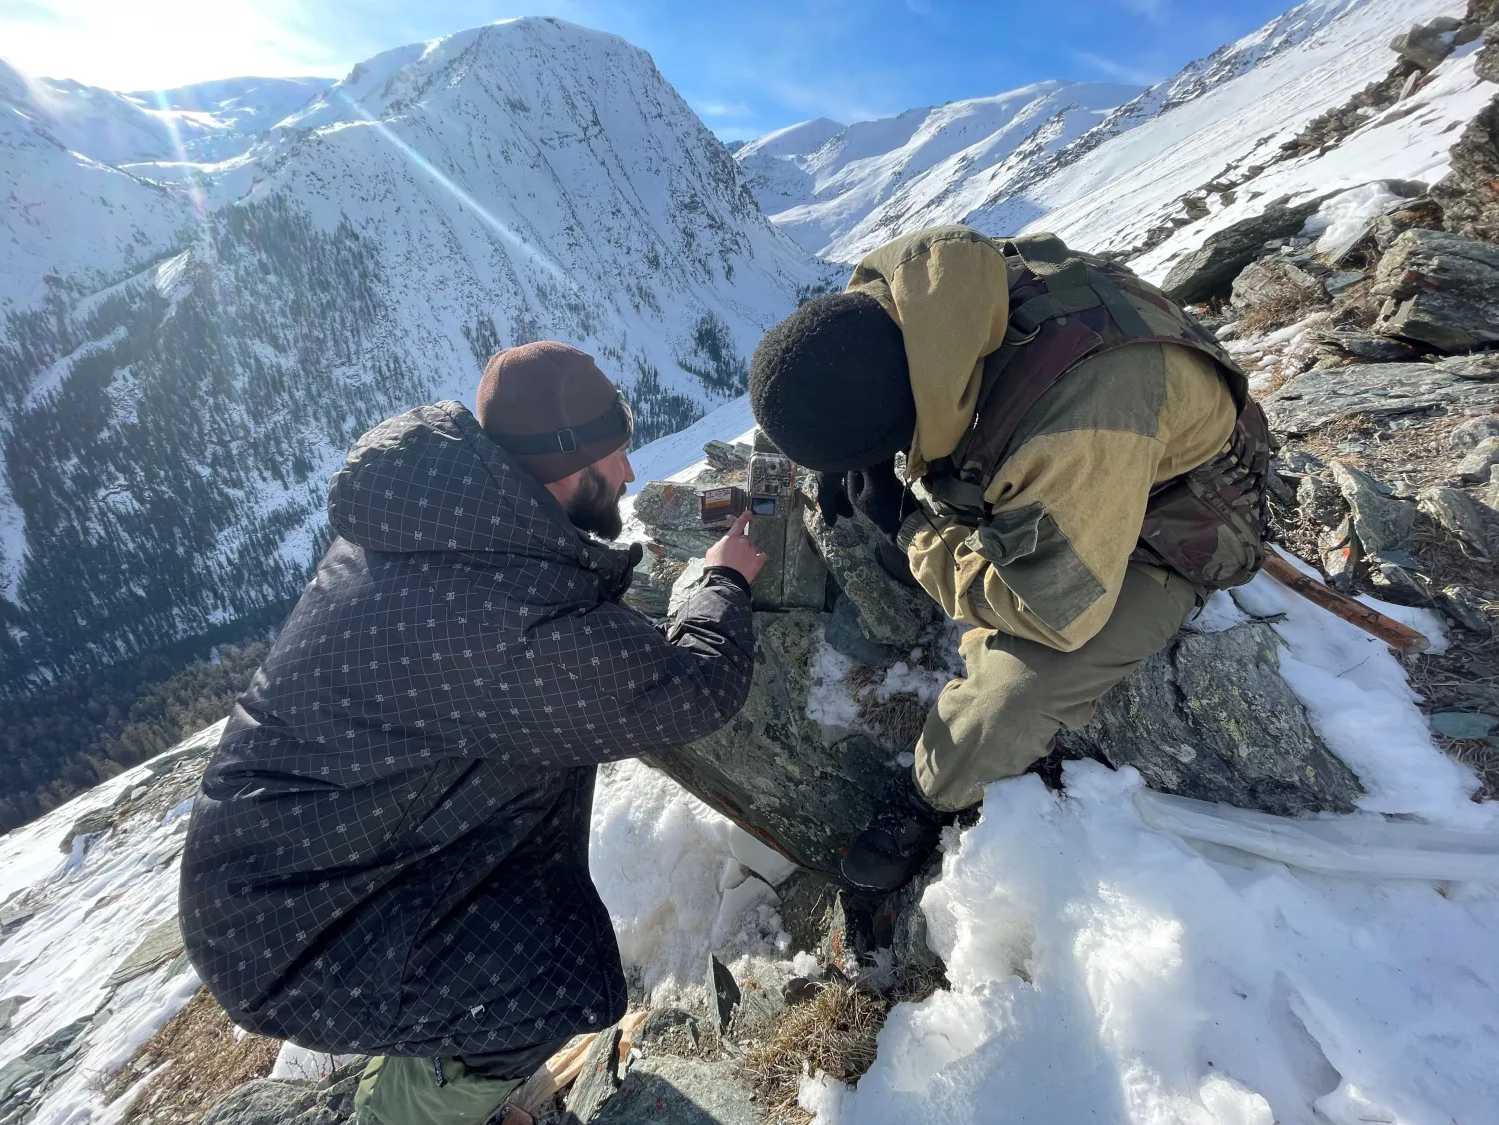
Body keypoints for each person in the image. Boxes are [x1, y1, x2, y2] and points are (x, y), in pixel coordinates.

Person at [179, 341, 767, 1125]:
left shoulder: (451, 525)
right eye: (613, 453)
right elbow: (688, 690)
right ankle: (406, 1112)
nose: (627, 473)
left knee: (532, 850)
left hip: (306, 872)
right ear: (564, 463)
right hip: (283, 939)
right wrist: (723, 579)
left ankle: (443, 1048)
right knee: (563, 976)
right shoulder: (492, 612)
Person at [748, 225, 1271, 893]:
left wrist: (911, 532)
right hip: (1089, 452)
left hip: (1173, 516)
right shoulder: (926, 293)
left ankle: (932, 794)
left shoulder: (1081, 421)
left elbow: (1052, 611)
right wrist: (867, 445)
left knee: (1009, 696)